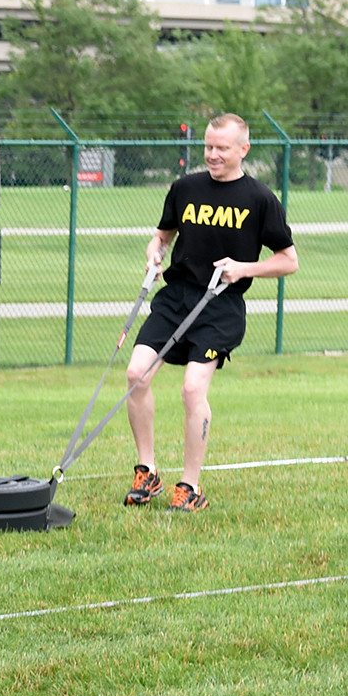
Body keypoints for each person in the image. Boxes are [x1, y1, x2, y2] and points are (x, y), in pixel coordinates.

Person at [123, 112, 297, 512]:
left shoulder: (260, 199)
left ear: (243, 149)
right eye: (208, 147)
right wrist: (155, 251)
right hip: (176, 297)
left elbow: (288, 261)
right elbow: (163, 234)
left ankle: (190, 487)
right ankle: (146, 472)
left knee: (191, 389)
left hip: (220, 306)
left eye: (221, 148)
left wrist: (244, 269)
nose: (213, 155)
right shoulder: (184, 187)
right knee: (136, 374)